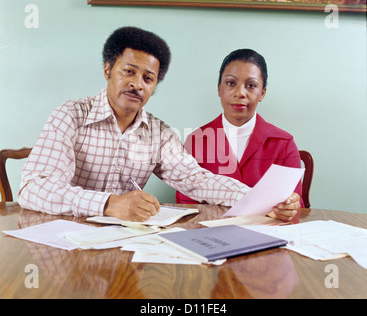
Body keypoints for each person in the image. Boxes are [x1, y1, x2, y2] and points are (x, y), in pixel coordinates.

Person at [18, 28, 299, 222]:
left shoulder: (159, 133)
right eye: (129, 71)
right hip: (62, 239)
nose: (137, 84)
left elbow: (196, 180)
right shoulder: (71, 115)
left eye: (148, 78)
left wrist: (261, 201)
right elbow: (33, 189)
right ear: (107, 70)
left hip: (122, 243)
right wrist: (110, 204)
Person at [176, 48, 302, 221]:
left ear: (262, 93)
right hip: (211, 237)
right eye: (230, 83)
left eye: (251, 85)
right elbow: (186, 203)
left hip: (267, 237)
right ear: (219, 89)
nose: (240, 93)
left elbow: (296, 204)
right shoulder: (197, 141)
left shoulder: (283, 142)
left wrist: (291, 207)